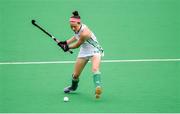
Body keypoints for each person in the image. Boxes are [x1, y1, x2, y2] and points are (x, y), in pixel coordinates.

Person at [58, 11, 104, 99]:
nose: (73, 29)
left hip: (95, 50)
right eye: (71, 27)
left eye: (74, 27)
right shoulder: (77, 27)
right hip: (84, 51)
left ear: (79, 23)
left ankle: (98, 87)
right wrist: (65, 42)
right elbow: (76, 36)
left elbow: (77, 45)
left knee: (95, 68)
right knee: (75, 75)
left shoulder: (85, 32)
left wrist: (67, 47)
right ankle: (73, 87)